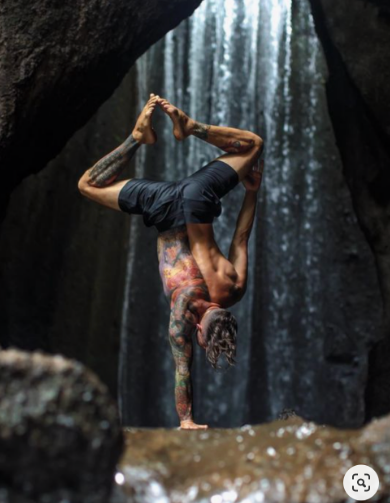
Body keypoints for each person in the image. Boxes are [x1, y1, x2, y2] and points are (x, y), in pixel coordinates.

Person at [78, 94, 263, 429]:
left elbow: (241, 237)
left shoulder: (234, 288)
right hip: (163, 207)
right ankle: (136, 138)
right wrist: (187, 419)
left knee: (252, 146)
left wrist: (252, 191)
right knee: (87, 185)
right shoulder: (183, 309)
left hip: (196, 196)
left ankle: (188, 127)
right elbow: (183, 369)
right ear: (199, 331)